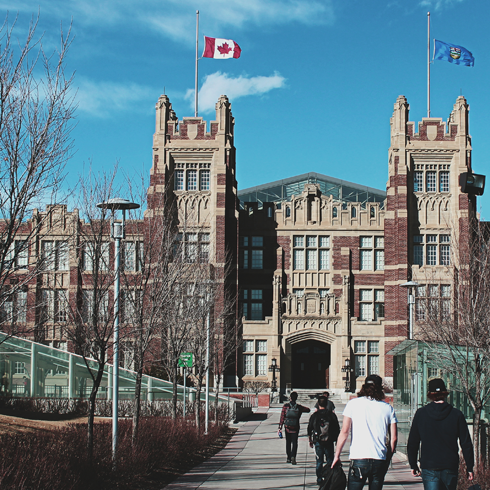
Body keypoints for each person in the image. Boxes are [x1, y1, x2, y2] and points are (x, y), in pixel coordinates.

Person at [331, 374, 397, 490]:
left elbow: (345, 432)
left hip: (359, 457)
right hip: (379, 457)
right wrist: (388, 457)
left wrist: (337, 455)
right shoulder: (387, 408)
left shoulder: (353, 404)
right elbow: (394, 438)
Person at [407, 378, 474, 490]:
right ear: (445, 393)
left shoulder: (421, 414)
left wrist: (413, 464)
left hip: (429, 464)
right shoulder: (456, 414)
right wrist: (470, 467)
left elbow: (413, 442)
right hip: (449, 464)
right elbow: (466, 443)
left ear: (430, 395)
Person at [308, 395, 340, 484]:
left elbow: (309, 428)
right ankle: (329, 477)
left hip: (318, 442)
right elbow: (337, 429)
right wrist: (337, 440)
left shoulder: (314, 416)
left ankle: (319, 479)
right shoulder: (332, 415)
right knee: (330, 461)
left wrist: (310, 440)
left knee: (319, 461)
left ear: (318, 404)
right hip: (329, 441)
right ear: (327, 403)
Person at [278, 391, 310, 464]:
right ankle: (293, 457)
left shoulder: (286, 406)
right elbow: (308, 410)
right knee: (295, 443)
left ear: (290, 398)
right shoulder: (299, 407)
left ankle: (288, 457)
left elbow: (282, 417)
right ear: (296, 398)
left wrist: (280, 427)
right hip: (295, 427)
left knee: (288, 442)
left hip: (287, 427)